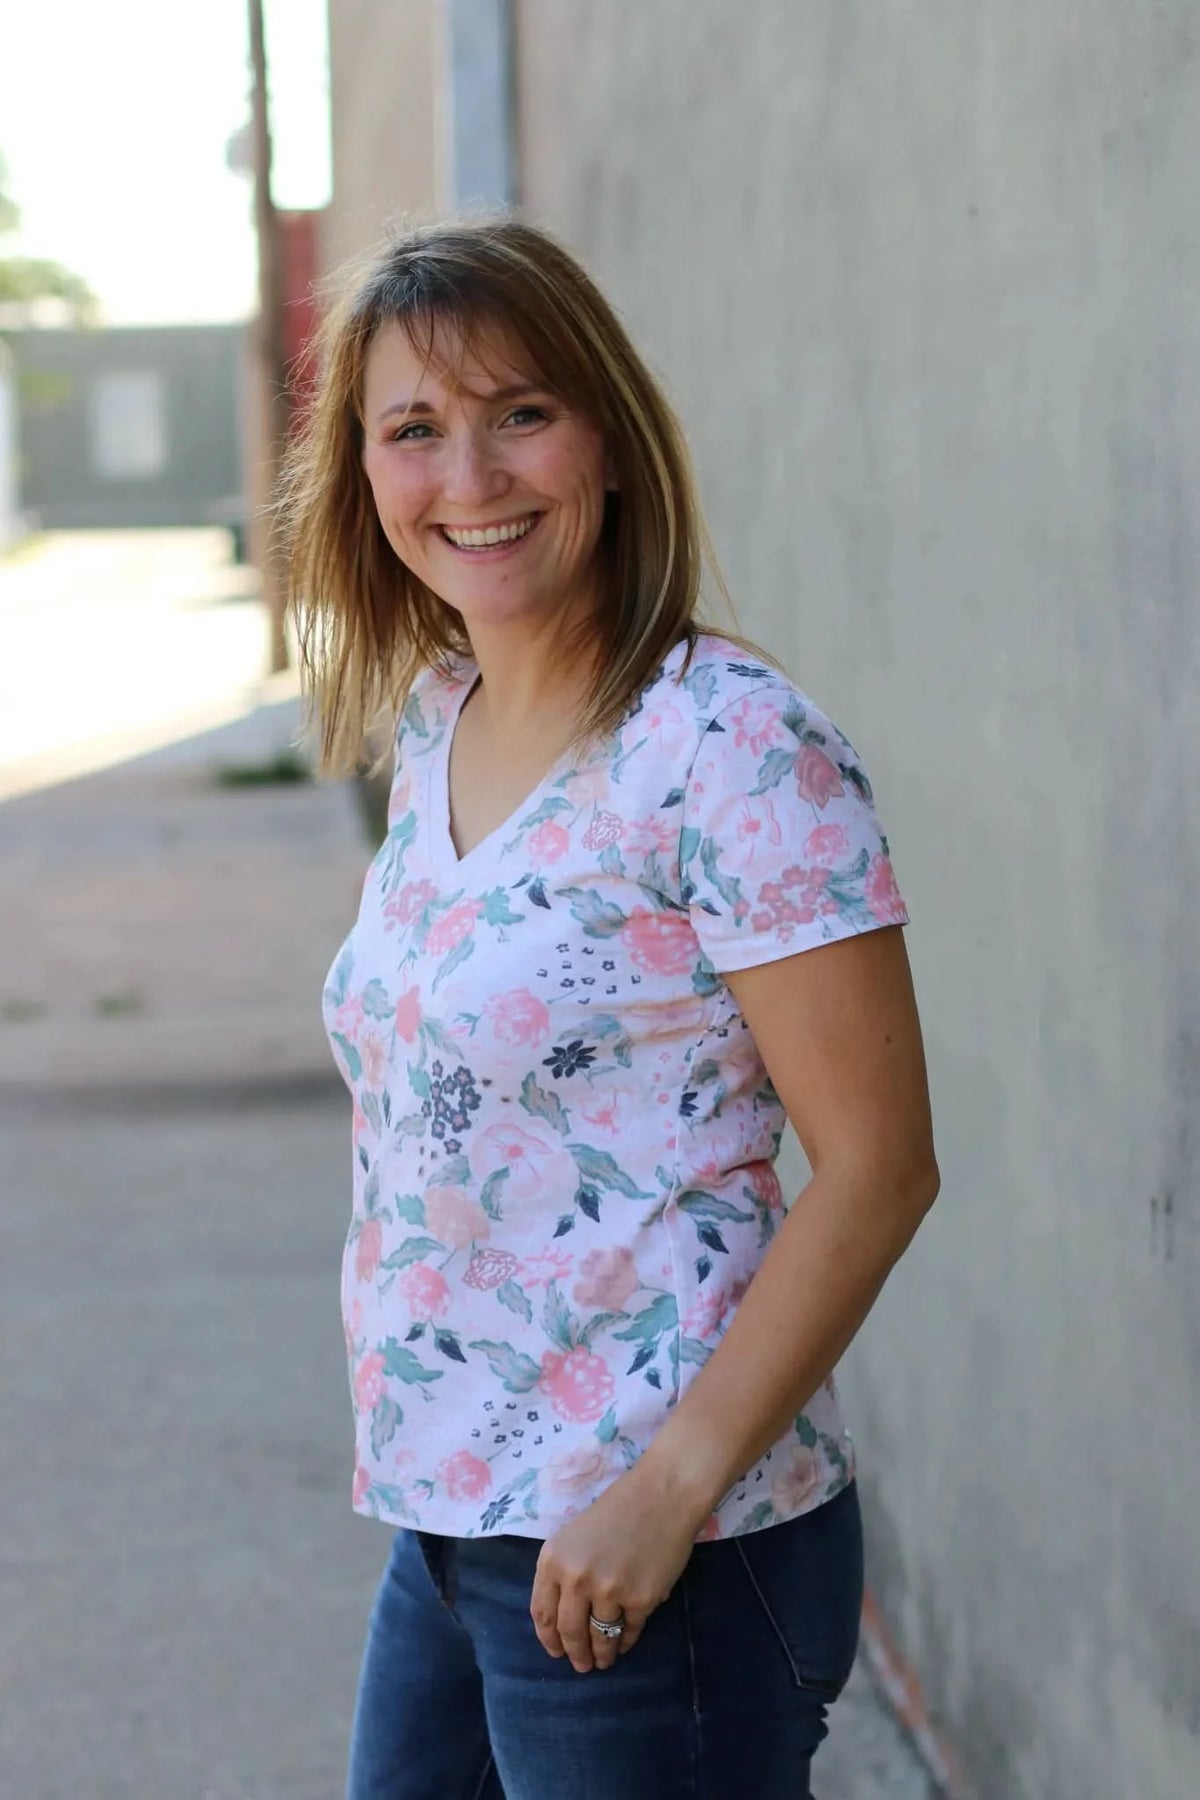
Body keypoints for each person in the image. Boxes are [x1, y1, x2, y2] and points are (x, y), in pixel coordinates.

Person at [282, 216, 939, 1800]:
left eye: (523, 413)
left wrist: (666, 1492)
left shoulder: (733, 748)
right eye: (415, 431)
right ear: (364, 475)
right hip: (453, 1531)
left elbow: (878, 1166)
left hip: (656, 1551)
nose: (473, 477)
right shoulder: (437, 726)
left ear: (611, 438)